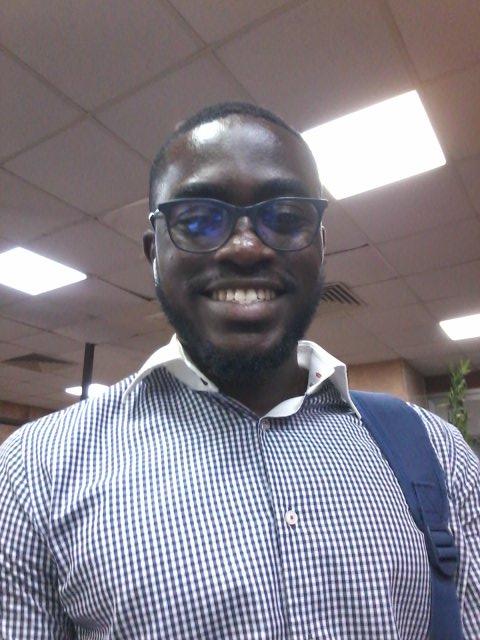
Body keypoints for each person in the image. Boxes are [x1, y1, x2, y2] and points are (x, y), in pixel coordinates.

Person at [0, 102, 478, 639]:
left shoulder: (438, 456)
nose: (247, 247)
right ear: (154, 252)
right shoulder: (35, 475)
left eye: (286, 217)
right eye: (198, 220)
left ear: (321, 246)